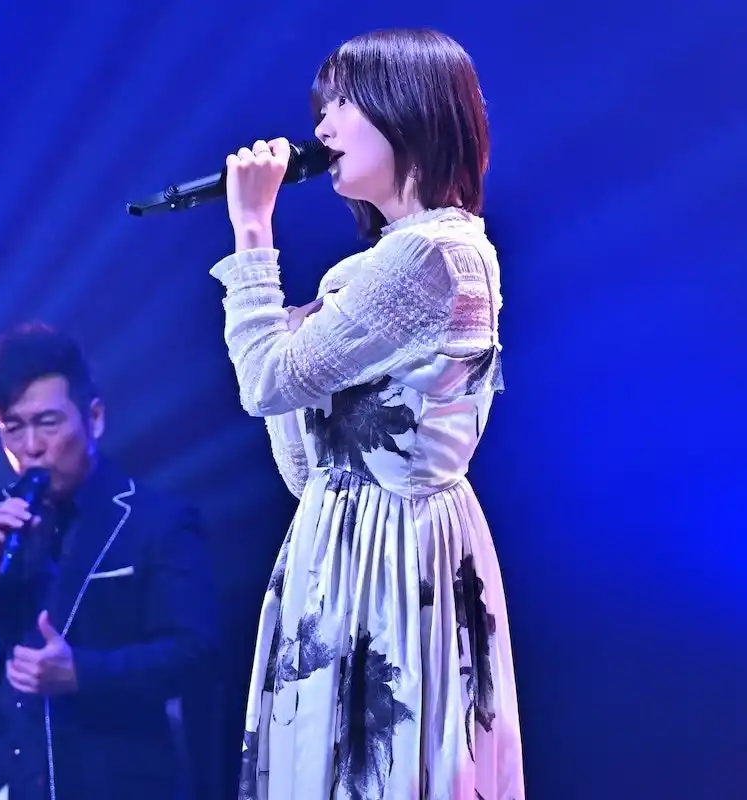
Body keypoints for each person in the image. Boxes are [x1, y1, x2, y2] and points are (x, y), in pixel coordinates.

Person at [209, 27, 524, 800]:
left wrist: (252, 235)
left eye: (342, 104)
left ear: (408, 108)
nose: (320, 128)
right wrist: (289, 338)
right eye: (321, 109)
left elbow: (266, 382)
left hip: (394, 554)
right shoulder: (378, 267)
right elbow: (307, 469)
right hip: (339, 545)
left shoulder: (434, 256)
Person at [0, 322, 218, 800]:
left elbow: (195, 654)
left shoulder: (155, 520)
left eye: (48, 423)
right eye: (13, 428)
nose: (31, 447)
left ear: (94, 418)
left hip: (102, 777)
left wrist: (81, 672)